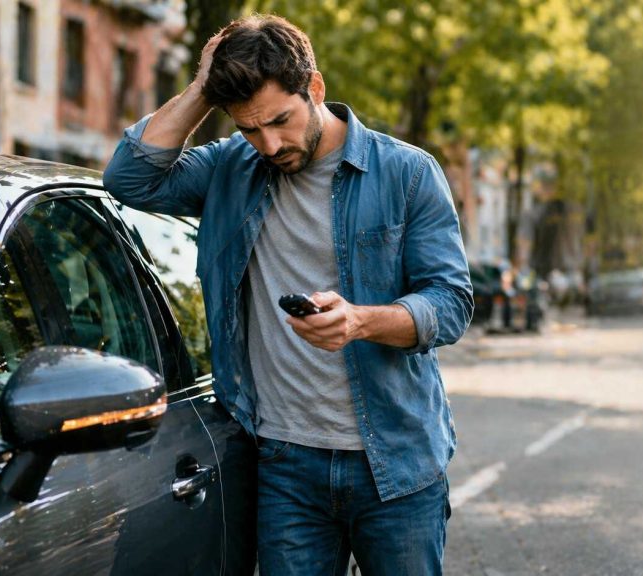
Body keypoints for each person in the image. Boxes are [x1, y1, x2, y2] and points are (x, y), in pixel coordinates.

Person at [103, 14, 473, 576]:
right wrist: (204, 87)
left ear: (315, 88)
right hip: (284, 463)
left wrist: (361, 321)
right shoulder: (233, 166)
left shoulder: (408, 173)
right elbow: (131, 178)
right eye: (250, 128)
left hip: (395, 464)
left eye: (280, 120)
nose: (270, 144)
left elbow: (450, 303)